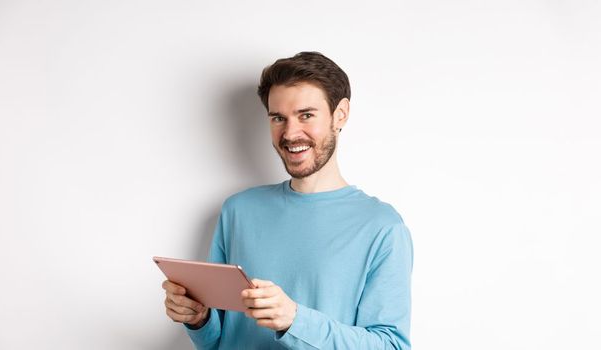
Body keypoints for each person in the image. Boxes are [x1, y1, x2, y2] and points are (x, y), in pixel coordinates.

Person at [161, 51, 413, 349]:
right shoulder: (238, 211)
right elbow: (218, 341)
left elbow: (391, 346)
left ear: (340, 114)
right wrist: (198, 319)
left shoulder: (382, 226)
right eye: (278, 118)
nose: (291, 133)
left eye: (306, 115)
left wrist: (295, 319)